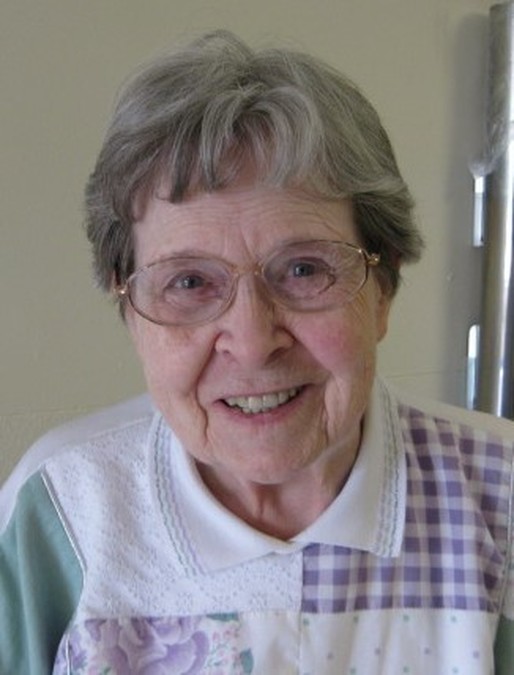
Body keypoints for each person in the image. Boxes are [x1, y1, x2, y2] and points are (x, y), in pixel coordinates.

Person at [1, 29, 513, 675]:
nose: (251, 342)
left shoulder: (500, 495)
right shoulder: (64, 508)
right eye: (190, 282)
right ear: (128, 308)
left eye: (302, 269)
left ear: (383, 287)